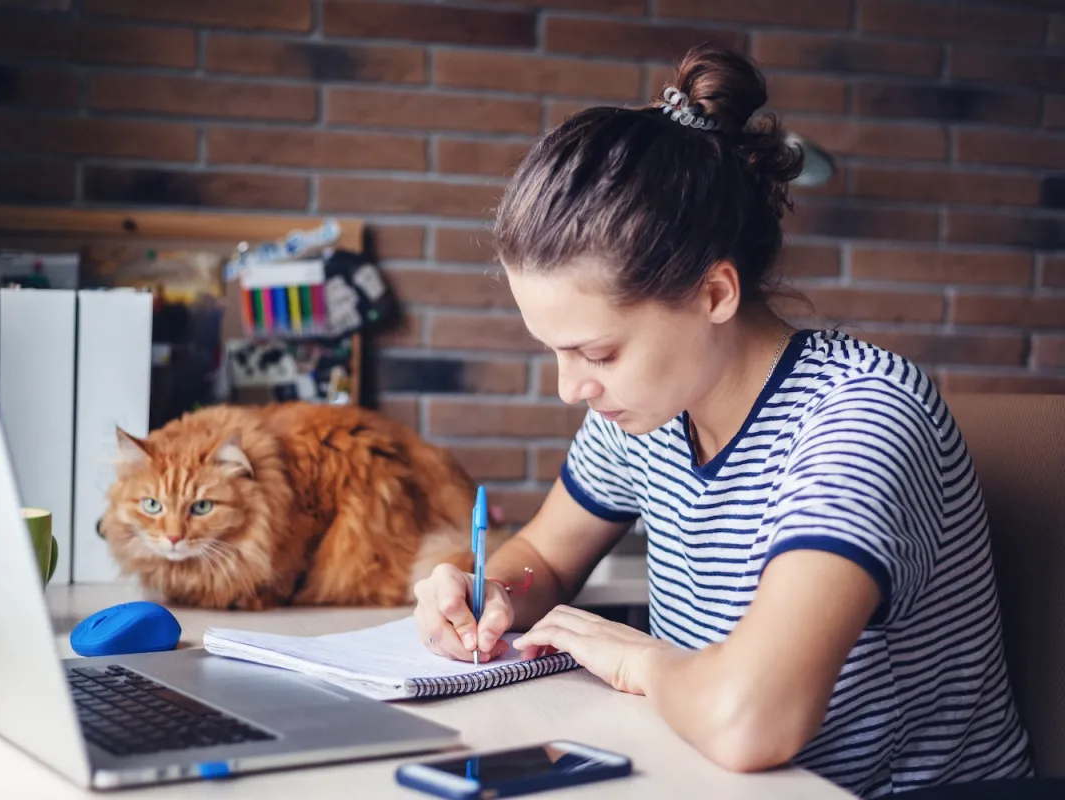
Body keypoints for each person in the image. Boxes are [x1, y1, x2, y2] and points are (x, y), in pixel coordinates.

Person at [412, 43, 1033, 799]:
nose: (571, 388)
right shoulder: (642, 411)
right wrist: (490, 589)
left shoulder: (861, 418)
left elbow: (752, 720)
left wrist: (635, 659)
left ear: (714, 295)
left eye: (597, 353)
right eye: (554, 352)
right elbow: (545, 551)